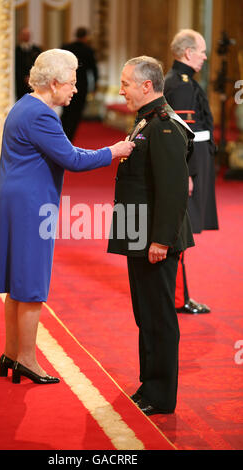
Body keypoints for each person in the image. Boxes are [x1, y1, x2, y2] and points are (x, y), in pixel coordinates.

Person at [0, 49, 134, 385]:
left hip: (12, 199)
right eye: (71, 82)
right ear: (53, 83)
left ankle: (11, 353)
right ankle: (26, 359)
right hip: (30, 205)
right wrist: (114, 151)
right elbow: (73, 159)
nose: (75, 89)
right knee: (32, 284)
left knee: (15, 284)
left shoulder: (24, 105)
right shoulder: (42, 115)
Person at [108, 56, 195, 415]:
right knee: (145, 314)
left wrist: (160, 240)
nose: (121, 89)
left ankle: (161, 394)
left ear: (147, 86)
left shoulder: (163, 125)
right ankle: (150, 384)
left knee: (158, 316)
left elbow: (173, 190)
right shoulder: (146, 120)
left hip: (154, 240)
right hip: (138, 234)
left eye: (126, 82)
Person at [164, 29, 219, 314]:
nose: (205, 56)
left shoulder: (181, 81)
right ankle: (177, 298)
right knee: (179, 234)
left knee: (180, 233)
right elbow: (180, 135)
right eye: (202, 51)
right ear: (188, 53)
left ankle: (179, 296)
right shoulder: (182, 85)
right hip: (190, 166)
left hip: (193, 164)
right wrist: (184, 173)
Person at [61, 27, 98, 141]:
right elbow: (94, 71)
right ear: (85, 37)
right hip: (82, 87)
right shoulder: (88, 50)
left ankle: (61, 137)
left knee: (66, 113)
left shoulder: (66, 48)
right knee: (76, 115)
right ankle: (69, 139)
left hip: (66, 84)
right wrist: (94, 86)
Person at [15, 27, 42, 100]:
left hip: (34, 82)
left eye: (28, 34)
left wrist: (32, 76)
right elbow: (16, 67)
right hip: (21, 84)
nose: (26, 36)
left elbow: (39, 65)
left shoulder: (36, 49)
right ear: (19, 36)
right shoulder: (16, 50)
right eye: (24, 34)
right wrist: (24, 77)